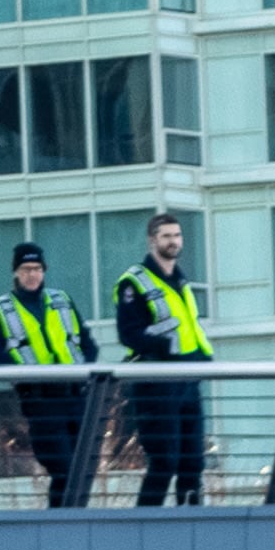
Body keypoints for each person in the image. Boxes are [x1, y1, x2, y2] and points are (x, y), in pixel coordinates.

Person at [111, 204, 213, 504]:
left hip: (188, 380)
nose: (174, 241)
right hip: (156, 382)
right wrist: (166, 350)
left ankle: (193, 525)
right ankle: (145, 526)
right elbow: (128, 334)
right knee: (164, 462)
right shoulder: (135, 282)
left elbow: (190, 329)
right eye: (166, 235)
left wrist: (202, 359)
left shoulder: (181, 281)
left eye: (178, 235)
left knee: (193, 463)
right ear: (152, 241)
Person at [0, 237, 95, 493]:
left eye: (37, 269)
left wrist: (84, 369)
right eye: (26, 270)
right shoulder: (1, 309)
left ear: (44, 271)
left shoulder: (62, 300)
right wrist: (25, 374)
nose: (32, 275)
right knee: (63, 469)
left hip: (77, 395)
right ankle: (61, 525)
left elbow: (88, 344)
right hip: (41, 401)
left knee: (82, 470)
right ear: (16, 273)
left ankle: (71, 524)